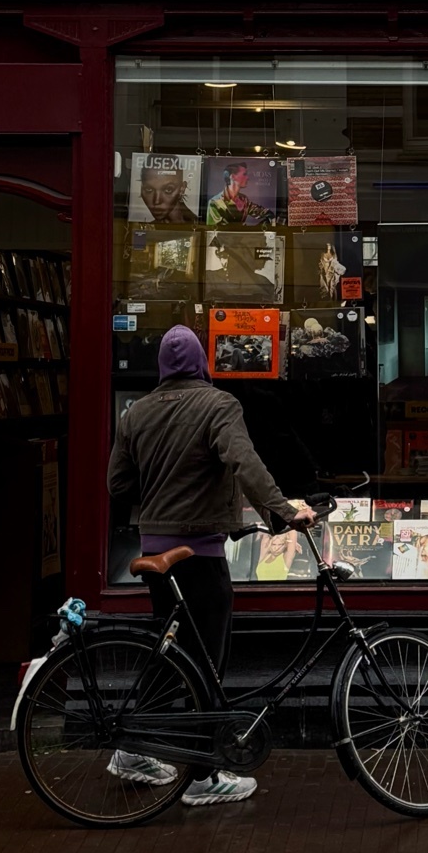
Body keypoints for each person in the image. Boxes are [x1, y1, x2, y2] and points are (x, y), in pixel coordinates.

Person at [107, 324, 316, 806]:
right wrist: (284, 511)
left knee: (172, 650)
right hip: (198, 553)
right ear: (201, 362)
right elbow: (244, 462)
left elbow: (118, 485)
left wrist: (159, 496)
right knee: (204, 662)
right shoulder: (218, 405)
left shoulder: (135, 413)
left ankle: (129, 747)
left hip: (155, 553)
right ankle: (202, 777)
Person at [136, 157, 197, 225]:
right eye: (149, 189)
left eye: (168, 190)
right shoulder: (145, 228)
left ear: (182, 189)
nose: (157, 201)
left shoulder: (198, 226)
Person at [206, 162, 255, 228]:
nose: (247, 178)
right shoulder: (215, 202)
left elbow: (264, 212)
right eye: (244, 174)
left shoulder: (244, 199)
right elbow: (212, 231)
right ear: (233, 177)